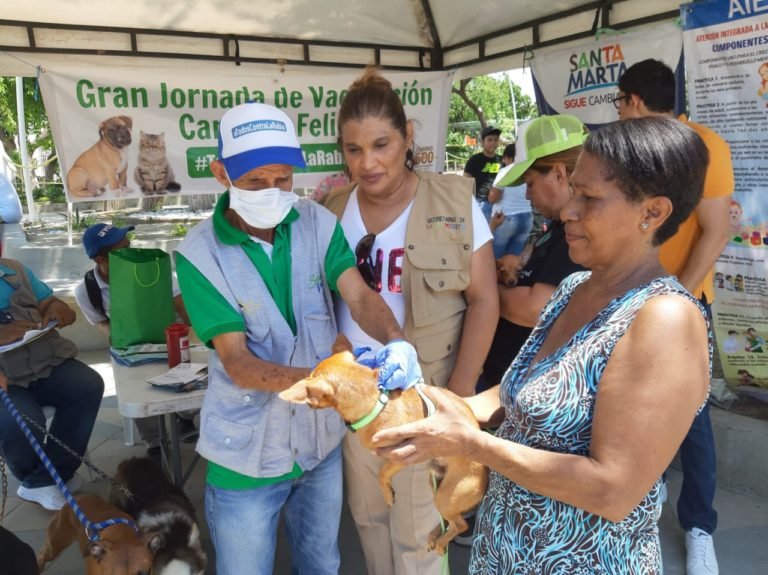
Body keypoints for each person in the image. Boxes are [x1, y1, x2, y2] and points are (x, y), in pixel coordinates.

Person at [374, 117, 712, 575]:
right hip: (506, 554)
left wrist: (472, 445)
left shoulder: (665, 319)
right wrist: (427, 404)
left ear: (651, 213)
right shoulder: (576, 287)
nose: (569, 210)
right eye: (572, 191)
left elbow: (611, 490)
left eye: (588, 198)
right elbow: (521, 390)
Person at [173, 101, 421, 575]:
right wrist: (332, 382)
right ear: (220, 172)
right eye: (254, 182)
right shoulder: (199, 256)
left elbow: (359, 293)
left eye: (283, 179)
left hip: (317, 448)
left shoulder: (316, 223)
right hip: (244, 456)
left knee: (321, 565)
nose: (272, 192)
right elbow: (240, 363)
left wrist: (395, 339)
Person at [322, 68, 498, 575]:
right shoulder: (332, 210)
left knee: (420, 538)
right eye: (354, 149)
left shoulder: (455, 203)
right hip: (357, 403)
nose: (368, 162)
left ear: (408, 137)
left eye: (381, 144)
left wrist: (458, 398)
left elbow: (485, 300)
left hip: (428, 398)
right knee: (370, 521)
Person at [617, 58, 733, 575]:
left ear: (636, 101)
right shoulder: (628, 151)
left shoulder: (706, 146)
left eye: (620, 102)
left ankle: (699, 528)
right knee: (625, 403)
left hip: (682, 303)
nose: (618, 113)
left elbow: (716, 229)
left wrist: (676, 302)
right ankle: (645, 494)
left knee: (692, 415)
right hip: (626, 296)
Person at [481, 115, 587, 391]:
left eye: (530, 183)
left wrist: (482, 289)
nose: (527, 195)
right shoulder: (558, 226)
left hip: (531, 392)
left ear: (559, 174)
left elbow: (534, 309)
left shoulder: (578, 235)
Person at [74, 222, 196, 451]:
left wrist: (195, 338)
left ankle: (185, 417)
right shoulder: (86, 290)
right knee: (137, 389)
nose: (130, 252)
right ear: (101, 260)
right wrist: (115, 333)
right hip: (132, 347)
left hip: (172, 337)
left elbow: (182, 305)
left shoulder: (153, 270)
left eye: (129, 245)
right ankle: (155, 441)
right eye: (121, 251)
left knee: (193, 380)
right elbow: (100, 321)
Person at [0, 258, 104, 511]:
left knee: (87, 384)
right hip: (6, 378)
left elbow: (48, 301)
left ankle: (45, 478)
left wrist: (57, 309)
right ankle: (39, 480)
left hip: (44, 362)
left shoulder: (14, 269)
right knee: (22, 418)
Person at [487, 143, 533, 259]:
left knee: (496, 260)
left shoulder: (505, 171)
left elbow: (493, 197)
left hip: (505, 218)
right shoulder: (528, 170)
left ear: (508, 157)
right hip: (527, 217)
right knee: (513, 261)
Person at [464, 125, 502, 221]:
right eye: (489, 140)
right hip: (480, 204)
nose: (493, 143)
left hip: (499, 204)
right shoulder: (474, 160)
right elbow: (465, 182)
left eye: (495, 140)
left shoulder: (502, 160)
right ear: (482, 142)